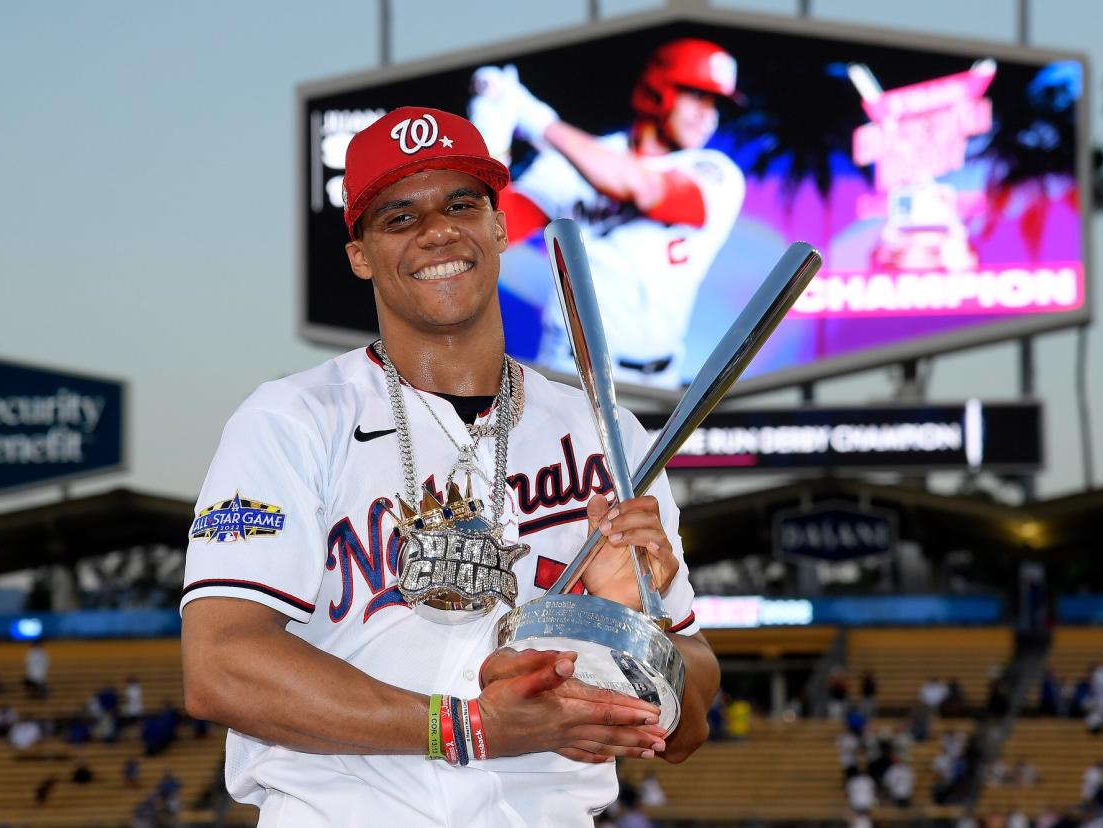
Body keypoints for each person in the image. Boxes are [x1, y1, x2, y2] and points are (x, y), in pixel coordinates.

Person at [180, 106, 719, 826]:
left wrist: (634, 622)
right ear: (360, 255)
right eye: (400, 217)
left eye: (461, 204)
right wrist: (468, 727)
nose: (438, 230)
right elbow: (220, 666)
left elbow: (687, 721)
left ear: (499, 226)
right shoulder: (293, 420)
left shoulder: (608, 437)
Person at [468, 39, 747, 388]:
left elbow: (647, 190)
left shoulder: (714, 171)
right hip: (571, 372)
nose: (708, 114)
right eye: (696, 96)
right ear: (657, 91)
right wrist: (490, 143)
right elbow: (496, 232)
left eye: (716, 104)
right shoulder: (571, 164)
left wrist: (535, 117)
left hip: (660, 381)